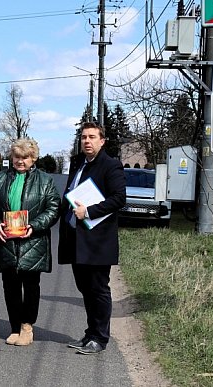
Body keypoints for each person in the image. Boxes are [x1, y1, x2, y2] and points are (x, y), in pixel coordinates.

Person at [0, 138, 60, 346]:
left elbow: (53, 208)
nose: (20, 161)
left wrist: (34, 226)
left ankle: (27, 326)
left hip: (33, 241)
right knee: (10, 286)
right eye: (17, 157)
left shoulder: (45, 180)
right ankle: (14, 327)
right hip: (6, 240)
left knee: (31, 285)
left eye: (25, 157)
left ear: (33, 159)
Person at [58, 122, 126, 355]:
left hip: (97, 240)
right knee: (85, 288)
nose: (87, 141)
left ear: (102, 141)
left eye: (92, 137)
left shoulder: (111, 165)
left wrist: (88, 211)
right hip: (76, 238)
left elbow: (119, 198)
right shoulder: (78, 163)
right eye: (84, 137)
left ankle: (100, 337)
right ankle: (90, 334)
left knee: (98, 289)